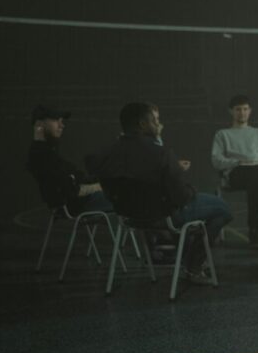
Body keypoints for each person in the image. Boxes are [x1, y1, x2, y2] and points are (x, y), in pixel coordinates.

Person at [89, 102, 233, 283]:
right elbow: (181, 197)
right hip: (162, 216)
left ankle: (187, 256)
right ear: (143, 124)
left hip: (128, 217)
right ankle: (193, 265)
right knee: (223, 209)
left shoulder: (106, 154)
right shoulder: (160, 154)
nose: (157, 125)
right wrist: (191, 190)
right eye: (154, 120)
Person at [211, 95, 258, 246]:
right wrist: (238, 162)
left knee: (256, 178)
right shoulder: (223, 134)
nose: (242, 113)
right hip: (237, 173)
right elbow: (216, 160)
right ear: (231, 111)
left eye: (245, 109)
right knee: (256, 177)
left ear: (250, 111)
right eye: (238, 110)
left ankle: (254, 232)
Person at [26, 105, 112, 214]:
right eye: (56, 120)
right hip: (77, 204)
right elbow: (72, 191)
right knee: (128, 197)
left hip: (77, 203)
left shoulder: (46, 152)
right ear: (40, 124)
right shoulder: (44, 155)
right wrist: (100, 186)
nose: (62, 125)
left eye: (61, 121)